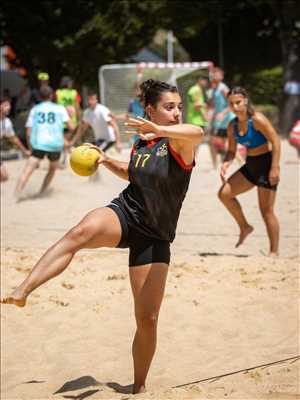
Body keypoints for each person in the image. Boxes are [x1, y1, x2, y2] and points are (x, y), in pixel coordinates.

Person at [1, 79, 203, 394]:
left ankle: (139, 386)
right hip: (127, 212)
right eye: (169, 107)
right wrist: (107, 161)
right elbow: (135, 173)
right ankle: (23, 288)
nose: (177, 113)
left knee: (147, 318)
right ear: (150, 109)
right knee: (79, 232)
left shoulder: (178, 143)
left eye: (178, 107)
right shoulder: (142, 143)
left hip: (155, 235)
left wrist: (161, 129)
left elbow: (198, 132)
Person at [218, 86, 280, 256]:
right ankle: (245, 226)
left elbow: (276, 141)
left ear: (245, 101)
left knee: (266, 211)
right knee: (224, 194)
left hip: (266, 165)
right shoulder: (233, 125)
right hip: (250, 165)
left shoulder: (257, 119)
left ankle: (274, 252)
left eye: (238, 102)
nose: (235, 106)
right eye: (231, 104)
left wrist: (275, 167)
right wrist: (226, 163)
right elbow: (231, 150)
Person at [14, 86, 74, 197]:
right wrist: (71, 116)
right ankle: (42, 192)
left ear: (40, 97)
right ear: (51, 96)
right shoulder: (60, 108)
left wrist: (29, 148)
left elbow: (28, 131)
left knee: (27, 171)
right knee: (52, 169)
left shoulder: (35, 109)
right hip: (55, 145)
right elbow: (71, 127)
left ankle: (15, 195)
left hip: (39, 144)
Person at [208, 67, 236, 168]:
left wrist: (223, 113)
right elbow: (213, 106)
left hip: (227, 119)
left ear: (221, 76)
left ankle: (227, 161)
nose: (214, 76)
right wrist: (210, 114)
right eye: (213, 74)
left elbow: (232, 103)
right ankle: (217, 164)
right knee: (214, 141)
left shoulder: (223, 88)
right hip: (219, 121)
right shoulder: (213, 89)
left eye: (216, 74)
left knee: (226, 141)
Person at [0, 97, 31, 182]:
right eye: (6, 105)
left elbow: (13, 139)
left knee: (4, 177)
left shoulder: (6, 122)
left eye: (9, 105)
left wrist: (25, 151)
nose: (9, 107)